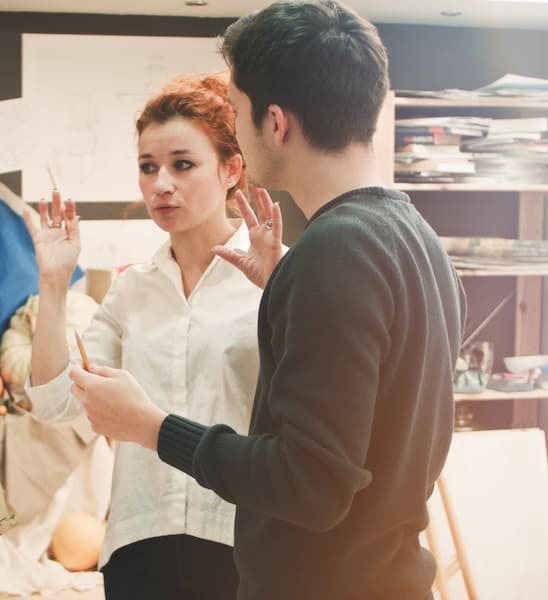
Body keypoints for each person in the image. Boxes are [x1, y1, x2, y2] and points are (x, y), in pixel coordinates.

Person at [68, 2, 467, 599]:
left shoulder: (335, 253)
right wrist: (289, 291)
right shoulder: (416, 240)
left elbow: (311, 485)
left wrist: (153, 428)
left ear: (275, 123)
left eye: (240, 111)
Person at [22, 74, 268, 600]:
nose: (161, 183)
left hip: (241, 542)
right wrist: (53, 281)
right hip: (140, 543)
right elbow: (52, 400)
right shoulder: (132, 289)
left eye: (183, 164)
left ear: (231, 169)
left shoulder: (275, 278)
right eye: (148, 167)